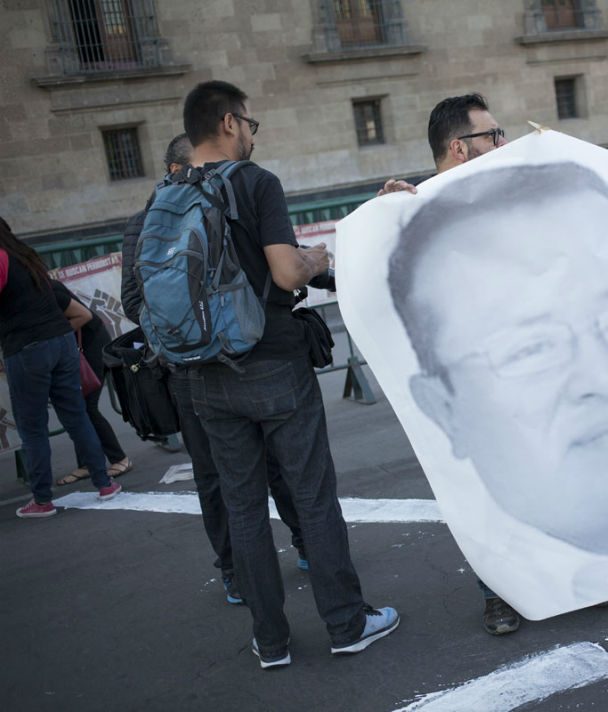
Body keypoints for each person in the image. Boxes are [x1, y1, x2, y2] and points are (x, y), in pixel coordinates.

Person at [378, 94, 608, 635]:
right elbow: (375, 278)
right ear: (459, 148)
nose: (504, 142)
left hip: (545, 364)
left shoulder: (515, 193)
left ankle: (590, 571)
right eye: (494, 135)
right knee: (482, 490)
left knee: (572, 468)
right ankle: (499, 594)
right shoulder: (410, 209)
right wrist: (382, 219)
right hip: (479, 378)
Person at [175, 81, 397, 669]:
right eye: (250, 123)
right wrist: (316, 259)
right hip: (272, 362)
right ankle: (347, 624)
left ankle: (270, 641)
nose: (252, 134)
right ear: (229, 122)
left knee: (244, 508)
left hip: (204, 372)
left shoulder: (168, 192)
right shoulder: (255, 182)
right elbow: (285, 273)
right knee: (311, 496)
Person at [120, 133, 309, 606]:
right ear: (172, 170)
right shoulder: (146, 222)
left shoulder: (227, 199)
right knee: (217, 476)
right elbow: (133, 300)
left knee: (271, 465)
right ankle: (233, 569)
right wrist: (188, 323)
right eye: (196, 166)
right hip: (193, 368)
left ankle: (300, 545)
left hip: (236, 356)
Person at [0, 217, 122, 518]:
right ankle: (104, 483)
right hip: (61, 341)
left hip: (27, 347)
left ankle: (42, 500)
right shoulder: (25, 256)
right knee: (76, 415)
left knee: (32, 426)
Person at [52, 280, 133, 485]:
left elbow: (84, 316)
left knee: (86, 407)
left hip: (90, 347)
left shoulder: (46, 288)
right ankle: (87, 463)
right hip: (82, 346)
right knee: (79, 406)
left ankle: (119, 458)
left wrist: (53, 337)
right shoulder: (41, 287)